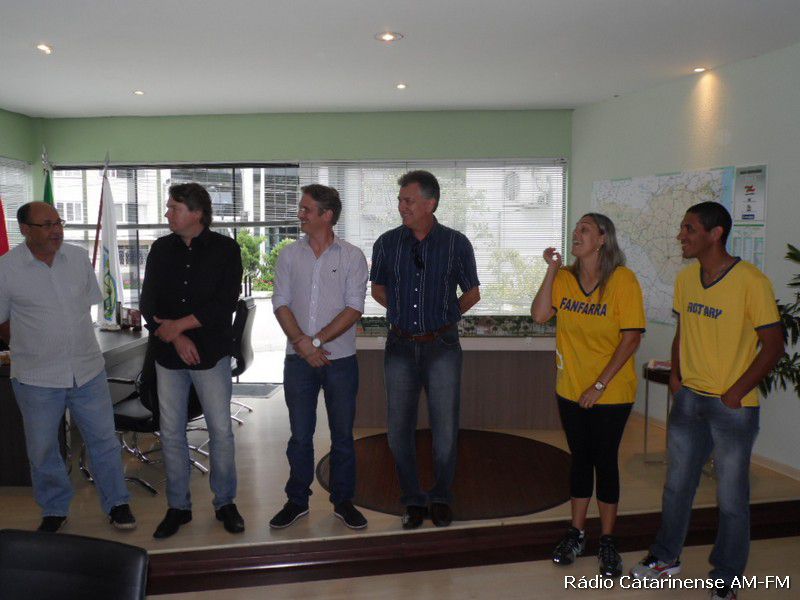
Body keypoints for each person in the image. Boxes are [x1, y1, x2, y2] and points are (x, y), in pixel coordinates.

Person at [630, 202, 784, 600]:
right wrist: (677, 378)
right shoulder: (686, 279)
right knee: (676, 486)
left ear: (716, 234)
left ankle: (726, 578)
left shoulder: (751, 282)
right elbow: (683, 331)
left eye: (689, 228)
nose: (681, 235)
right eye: (682, 228)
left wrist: (734, 392)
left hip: (732, 407)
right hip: (689, 401)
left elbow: (773, 346)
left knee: (731, 499)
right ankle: (666, 557)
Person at [0, 201, 136, 533]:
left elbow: (84, 307)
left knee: (103, 440)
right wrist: (32, 344)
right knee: (43, 449)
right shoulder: (6, 268)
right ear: (26, 230)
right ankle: (55, 508)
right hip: (36, 377)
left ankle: (117, 504)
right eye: (47, 224)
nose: (56, 230)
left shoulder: (77, 258)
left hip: (87, 370)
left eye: (58, 222)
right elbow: (2, 321)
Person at [531, 213, 645, 577]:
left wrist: (599, 385)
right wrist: (552, 270)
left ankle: (608, 540)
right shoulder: (565, 279)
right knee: (580, 460)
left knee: (604, 461)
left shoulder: (623, 280)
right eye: (575, 229)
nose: (576, 234)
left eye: (585, 229)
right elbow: (540, 315)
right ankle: (576, 533)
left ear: (602, 239)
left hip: (611, 391)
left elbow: (631, 338)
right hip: (570, 389)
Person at [370, 170, 480, 529]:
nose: (401, 206)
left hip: (443, 346)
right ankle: (413, 499)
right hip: (400, 346)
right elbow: (378, 289)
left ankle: (441, 496)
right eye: (400, 200)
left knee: (445, 430)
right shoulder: (387, 243)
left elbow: (472, 293)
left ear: (430, 203)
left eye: (409, 200)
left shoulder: (456, 243)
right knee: (398, 430)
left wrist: (444, 316)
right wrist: (403, 313)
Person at [140, 183, 245, 539]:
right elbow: (148, 303)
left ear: (197, 213)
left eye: (174, 207)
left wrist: (180, 325)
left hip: (211, 354)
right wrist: (177, 336)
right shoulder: (160, 249)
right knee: (171, 432)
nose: (167, 213)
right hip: (168, 355)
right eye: (168, 207)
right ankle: (178, 507)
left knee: (220, 431)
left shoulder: (226, 250)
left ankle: (225, 502)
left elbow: (224, 304)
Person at [269, 184, 369, 530]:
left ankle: (343, 501)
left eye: (306, 209)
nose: (300, 214)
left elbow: (354, 308)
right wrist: (302, 343)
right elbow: (279, 302)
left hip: (341, 361)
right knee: (300, 436)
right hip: (297, 361)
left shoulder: (352, 256)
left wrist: (315, 341)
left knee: (342, 436)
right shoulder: (289, 255)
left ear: (326, 216)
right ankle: (297, 500)